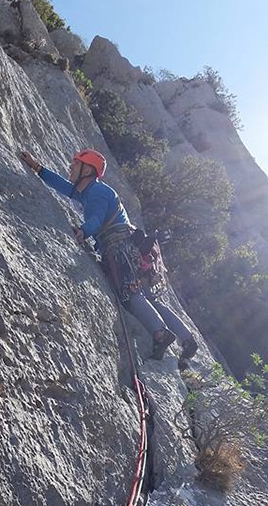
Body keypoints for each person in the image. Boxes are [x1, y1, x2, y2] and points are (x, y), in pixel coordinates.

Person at [20, 148, 198, 364]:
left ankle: (161, 334)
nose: (70, 167)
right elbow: (64, 186)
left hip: (119, 246)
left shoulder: (98, 193)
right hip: (130, 245)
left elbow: (95, 219)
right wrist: (38, 168)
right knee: (147, 296)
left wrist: (83, 231)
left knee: (130, 293)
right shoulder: (88, 190)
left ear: (87, 170)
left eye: (75, 165)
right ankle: (186, 338)